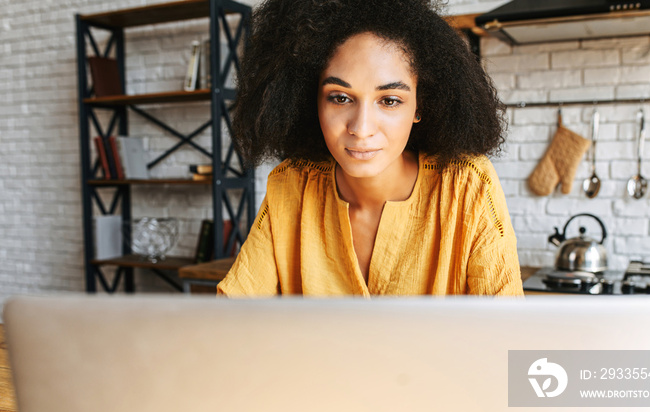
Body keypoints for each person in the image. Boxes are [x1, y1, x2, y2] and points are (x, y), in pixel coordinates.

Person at [217, 0, 523, 296]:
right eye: (340, 97)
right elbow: (232, 315)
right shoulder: (292, 184)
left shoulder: (468, 186)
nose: (361, 129)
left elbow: (506, 335)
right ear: (311, 100)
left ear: (420, 105)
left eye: (389, 101)